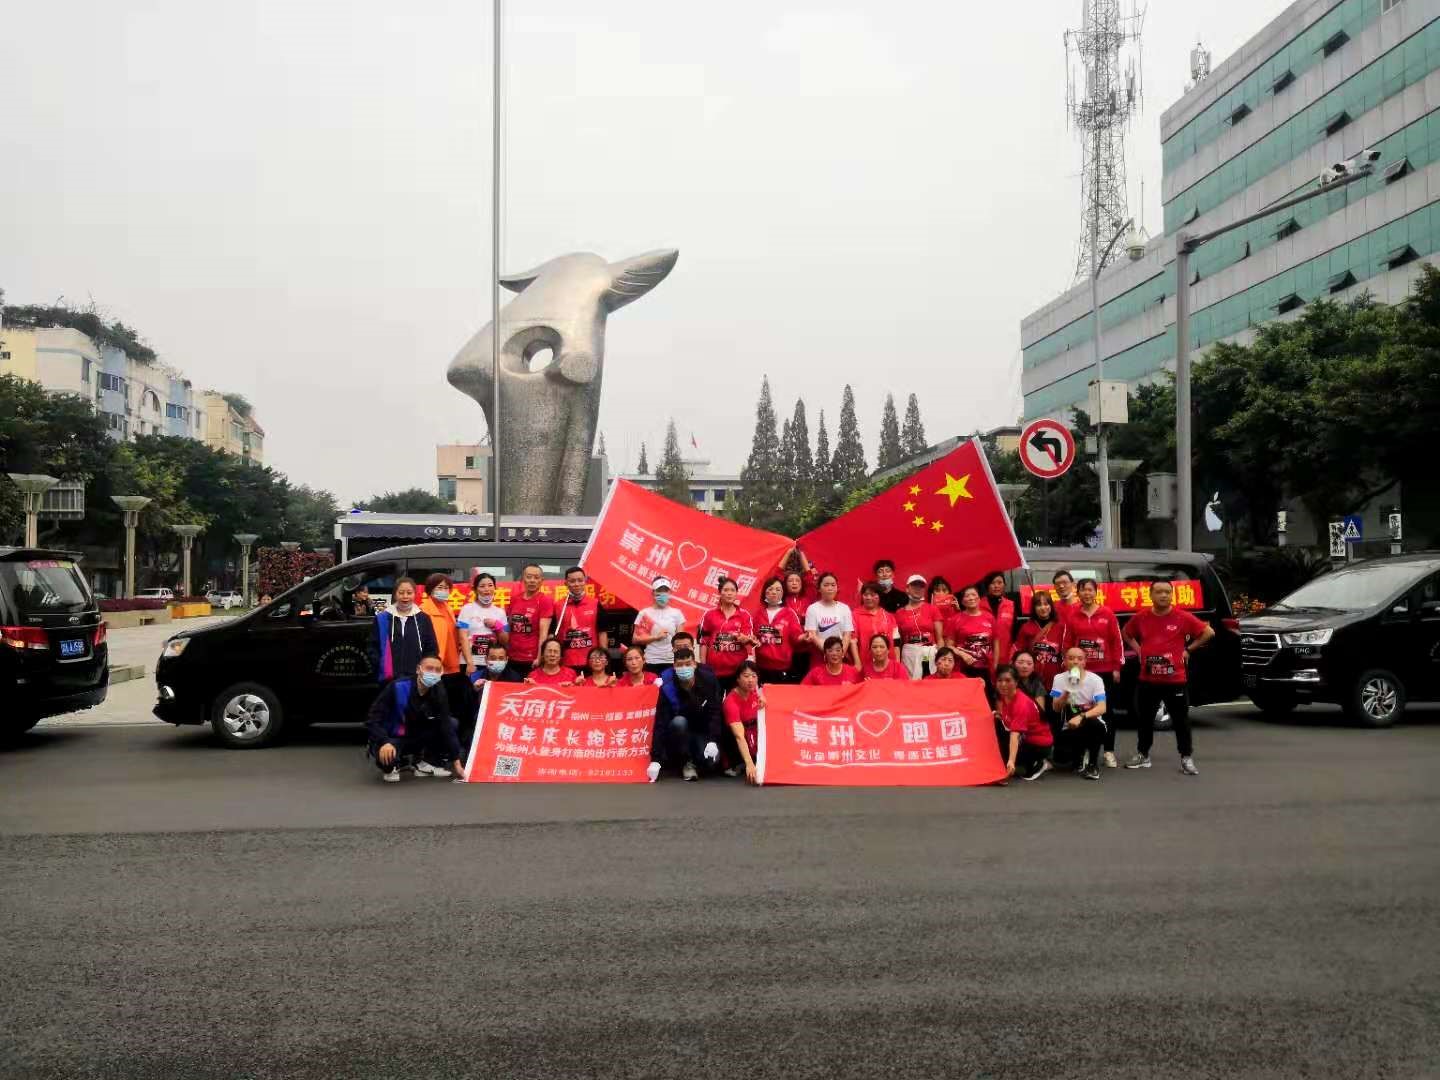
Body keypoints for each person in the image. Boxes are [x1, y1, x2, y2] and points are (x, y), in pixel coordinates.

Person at [1122, 580, 1215, 776]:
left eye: (1167, 592)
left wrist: (1188, 650)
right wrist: (1139, 651)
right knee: (1144, 720)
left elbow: (1208, 632)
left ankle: (1186, 758)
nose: (1163, 595)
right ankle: (1143, 755)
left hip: (1175, 680)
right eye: (1159, 592)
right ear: (1151, 594)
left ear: (1172, 595)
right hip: (1147, 679)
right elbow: (1127, 633)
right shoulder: (1142, 617)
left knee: (1181, 721)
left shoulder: (1182, 617)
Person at [366, 651, 462, 782]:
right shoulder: (397, 687)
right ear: (418, 669)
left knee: (451, 723)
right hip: (393, 737)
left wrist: (457, 762)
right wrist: (384, 741)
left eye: (437, 669)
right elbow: (372, 719)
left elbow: (446, 725)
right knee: (388, 760)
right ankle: (392, 765)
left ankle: (425, 763)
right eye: (429, 668)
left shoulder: (438, 689)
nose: (433, 672)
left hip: (416, 735)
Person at [1062, 578, 1125, 767]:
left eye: (1090, 590)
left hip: (1104, 670)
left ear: (1096, 592)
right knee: (1077, 709)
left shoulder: (1108, 614)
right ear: (1078, 593)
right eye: (1083, 590)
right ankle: (1084, 752)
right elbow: (1067, 643)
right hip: (1078, 672)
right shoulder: (1073, 615)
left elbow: (1117, 642)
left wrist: (1116, 667)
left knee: (1106, 712)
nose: (1086, 593)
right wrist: (1069, 668)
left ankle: (1108, 751)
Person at [649, 646, 723, 782]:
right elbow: (660, 722)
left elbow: (715, 713)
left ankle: (698, 758)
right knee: (679, 722)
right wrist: (655, 759)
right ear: (674, 666)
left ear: (695, 664)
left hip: (702, 730)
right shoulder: (667, 688)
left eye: (688, 664)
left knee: (711, 763)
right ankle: (685, 761)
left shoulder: (708, 681)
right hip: (679, 732)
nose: (684, 668)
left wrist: (713, 740)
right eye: (680, 665)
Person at [418, 573, 473, 729]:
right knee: (435, 706)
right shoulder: (424, 611)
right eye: (439, 587)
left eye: (447, 588)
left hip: (452, 665)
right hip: (435, 666)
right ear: (430, 589)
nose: (444, 591)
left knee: (450, 706)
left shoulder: (448, 608)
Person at [1049, 645, 1109, 781]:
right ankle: (1080, 753)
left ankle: (1093, 765)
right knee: (1062, 759)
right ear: (1064, 661)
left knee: (1095, 726)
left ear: (1084, 662)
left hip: (1091, 723)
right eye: (1071, 658)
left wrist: (1081, 716)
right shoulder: (1059, 679)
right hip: (1069, 725)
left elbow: (1102, 707)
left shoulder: (1095, 680)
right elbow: (1056, 708)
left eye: (1079, 659)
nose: (1075, 662)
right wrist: (1068, 691)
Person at [995, 664, 1054, 782]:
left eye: (1008, 680)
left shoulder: (1021, 703)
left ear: (1016, 682)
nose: (1003, 684)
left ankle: (1041, 762)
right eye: (1000, 680)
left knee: (1004, 755)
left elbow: (1014, 735)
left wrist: (1011, 761)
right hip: (1025, 737)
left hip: (1038, 744)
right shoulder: (1005, 696)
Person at [374, 577, 438, 685]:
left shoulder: (423, 618)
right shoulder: (382, 618)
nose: (405, 596)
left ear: (414, 594)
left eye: (409, 593)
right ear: (395, 595)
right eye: (401, 593)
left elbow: (431, 647)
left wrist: (425, 669)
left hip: (417, 677)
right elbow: (373, 646)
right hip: (389, 678)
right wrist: (380, 665)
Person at [699, 577, 756, 691]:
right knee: (715, 706)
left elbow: (749, 640)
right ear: (720, 593)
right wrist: (703, 666)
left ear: (736, 593)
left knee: (734, 705)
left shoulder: (744, 615)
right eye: (725, 590)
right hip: (713, 670)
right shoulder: (709, 614)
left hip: (737, 672)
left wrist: (745, 639)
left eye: (732, 590)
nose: (729, 593)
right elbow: (703, 641)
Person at [462, 641, 522, 750]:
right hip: (480, 719)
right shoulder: (475, 677)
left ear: (506, 660)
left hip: (506, 720)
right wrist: (474, 691)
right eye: (493, 658)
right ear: (486, 659)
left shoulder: (515, 679)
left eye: (501, 658)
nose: (497, 661)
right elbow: (465, 709)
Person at [505, 563, 554, 678]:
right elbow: (509, 627)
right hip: (512, 657)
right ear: (523, 578)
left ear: (542, 580)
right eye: (529, 577)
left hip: (531, 659)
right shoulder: (515, 599)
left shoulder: (544, 601)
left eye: (536, 578)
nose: (532, 580)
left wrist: (540, 656)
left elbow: (543, 633)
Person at [555, 566, 607, 676]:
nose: (576, 584)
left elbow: (602, 632)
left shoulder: (595, 604)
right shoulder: (558, 606)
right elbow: (552, 634)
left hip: (590, 661)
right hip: (566, 662)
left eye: (580, 580)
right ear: (566, 583)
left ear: (585, 582)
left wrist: (603, 657)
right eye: (572, 581)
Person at [753, 576, 805, 684]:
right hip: (760, 667)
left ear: (783, 593)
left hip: (783, 668)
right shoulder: (757, 614)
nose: (774, 592)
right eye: (770, 589)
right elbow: (753, 636)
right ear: (765, 593)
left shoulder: (789, 613)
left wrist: (805, 637)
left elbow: (796, 636)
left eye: (778, 589)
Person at [943, 585, 998, 686]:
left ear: (979, 598)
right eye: (967, 596)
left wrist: (995, 665)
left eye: (974, 594)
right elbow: (948, 646)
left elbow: (996, 642)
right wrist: (962, 654)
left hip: (986, 668)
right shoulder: (956, 620)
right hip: (963, 669)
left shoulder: (989, 617)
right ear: (962, 601)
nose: (971, 598)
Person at [632, 576, 686, 675]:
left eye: (666, 591)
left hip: (672, 661)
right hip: (651, 660)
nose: (663, 595)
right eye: (659, 591)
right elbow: (635, 639)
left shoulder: (677, 613)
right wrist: (656, 637)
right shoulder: (645, 613)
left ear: (670, 593)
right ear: (653, 593)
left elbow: (681, 639)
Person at [723, 660, 765, 784]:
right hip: (736, 739)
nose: (750, 680)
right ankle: (739, 762)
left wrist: (762, 696)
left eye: (754, 676)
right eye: (746, 676)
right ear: (738, 679)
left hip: (753, 734)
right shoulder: (731, 701)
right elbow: (739, 736)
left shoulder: (756, 693)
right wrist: (750, 764)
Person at [458, 572, 510, 671]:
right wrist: (469, 663)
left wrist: (497, 626)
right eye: (482, 586)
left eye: (490, 585)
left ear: (495, 588)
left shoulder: (500, 612)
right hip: (470, 662)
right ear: (475, 589)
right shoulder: (467, 609)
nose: (487, 589)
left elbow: (505, 641)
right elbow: (462, 637)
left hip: (492, 663)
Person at [896, 574, 944, 679]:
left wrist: (941, 658)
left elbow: (940, 638)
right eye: (914, 586)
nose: (918, 589)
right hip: (909, 654)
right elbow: (898, 642)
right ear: (907, 589)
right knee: (911, 686)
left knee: (932, 684)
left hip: (930, 652)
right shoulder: (899, 613)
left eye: (921, 586)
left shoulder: (932, 609)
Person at [1013, 590, 1064, 688]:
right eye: (1039, 605)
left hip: (1056, 678)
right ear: (1034, 608)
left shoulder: (1060, 626)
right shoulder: (1026, 627)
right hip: (1032, 678)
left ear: (1051, 606)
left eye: (1046, 604)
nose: (1043, 608)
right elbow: (1018, 652)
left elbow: (1065, 652)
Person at [803, 572, 853, 663]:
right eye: (826, 585)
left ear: (837, 588)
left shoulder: (844, 608)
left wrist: (840, 653)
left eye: (833, 585)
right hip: (819, 656)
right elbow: (813, 635)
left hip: (841, 656)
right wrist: (829, 652)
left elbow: (847, 635)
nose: (830, 588)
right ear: (819, 589)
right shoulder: (812, 609)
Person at [850, 582, 900, 669]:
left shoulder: (888, 616)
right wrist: (857, 663)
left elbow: (896, 642)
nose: (869, 598)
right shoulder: (855, 615)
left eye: (872, 595)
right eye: (865, 594)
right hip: (866, 664)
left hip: (889, 664)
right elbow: (853, 641)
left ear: (879, 596)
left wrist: (897, 662)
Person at [980, 570, 1016, 666]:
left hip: (1006, 656)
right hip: (982, 656)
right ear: (987, 586)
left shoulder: (1011, 605)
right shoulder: (978, 605)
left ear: (1004, 585)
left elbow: (1015, 633)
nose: (996, 586)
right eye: (992, 583)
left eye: (999, 583)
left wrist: (1013, 655)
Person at [1010, 649, 1049, 720]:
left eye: (1029, 663)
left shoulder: (1037, 685)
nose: (1025, 666)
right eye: (1020, 662)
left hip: (1030, 723)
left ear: (1033, 667)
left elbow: (1039, 711)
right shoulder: (1006, 682)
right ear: (1013, 664)